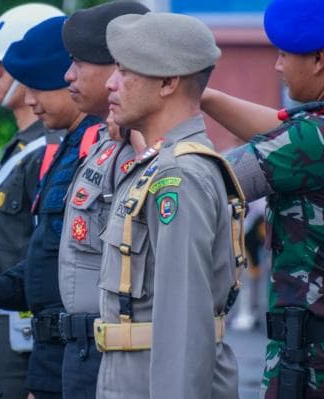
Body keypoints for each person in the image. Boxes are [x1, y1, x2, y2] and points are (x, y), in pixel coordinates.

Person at [200, 0, 324, 397]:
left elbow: (203, 182)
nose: (277, 66)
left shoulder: (312, 142)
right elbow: (288, 132)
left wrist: (152, 134)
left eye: (282, 54)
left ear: (318, 59)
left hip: (323, 369)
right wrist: (204, 97)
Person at [95, 12, 242, 398]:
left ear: (167, 82)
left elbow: (183, 325)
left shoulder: (179, 177)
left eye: (125, 71)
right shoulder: (161, 166)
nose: (110, 84)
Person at [0, 16, 101, 399]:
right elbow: (52, 258)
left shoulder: (95, 151)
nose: (29, 99)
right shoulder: (64, 149)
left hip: (67, 353)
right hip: (46, 351)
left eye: (37, 84)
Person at [57, 2, 148, 398]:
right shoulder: (102, 144)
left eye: (80, 63)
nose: (68, 75)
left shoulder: (145, 147)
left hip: (117, 347)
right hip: (80, 348)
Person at [0, 4, 65, 399]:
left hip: (31, 343)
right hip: (8, 332)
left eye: (3, 62)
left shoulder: (49, 151)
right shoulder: (21, 149)